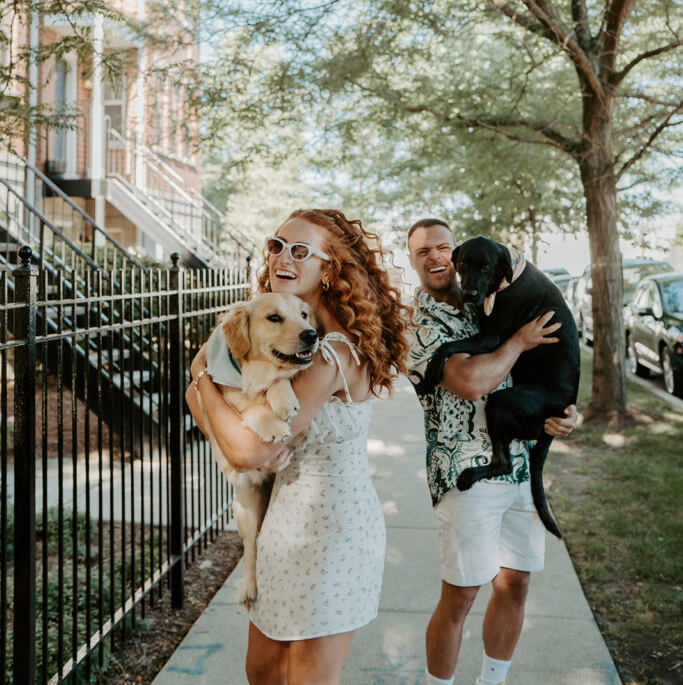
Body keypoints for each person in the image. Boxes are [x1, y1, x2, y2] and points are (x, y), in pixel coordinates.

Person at [186, 208, 411, 685]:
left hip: (333, 533)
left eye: (301, 251)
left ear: (330, 269)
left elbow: (247, 451)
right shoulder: (291, 338)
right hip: (283, 526)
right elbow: (224, 426)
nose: (282, 257)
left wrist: (201, 373)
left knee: (305, 679)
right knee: (263, 672)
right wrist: (214, 406)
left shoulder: (332, 353)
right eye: (276, 245)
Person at [406, 218, 579, 685]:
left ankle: (492, 680)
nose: (436, 257)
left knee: (516, 582)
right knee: (460, 596)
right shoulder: (415, 323)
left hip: (518, 463)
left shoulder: (487, 301)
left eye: (444, 247)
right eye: (424, 252)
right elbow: (472, 381)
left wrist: (564, 413)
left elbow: (542, 367)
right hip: (464, 470)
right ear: (413, 262)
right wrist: (520, 341)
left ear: (459, 254)